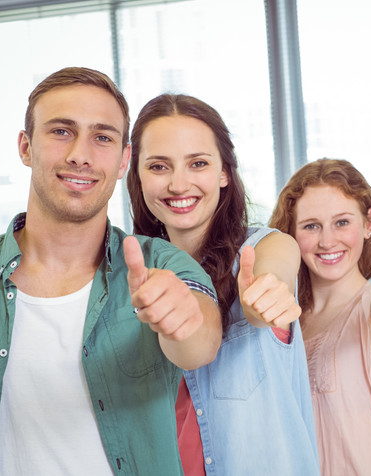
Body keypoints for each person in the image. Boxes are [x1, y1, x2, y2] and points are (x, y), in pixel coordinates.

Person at [0, 67, 222, 475]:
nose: (80, 155)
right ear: (25, 147)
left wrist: (183, 320)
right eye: (61, 131)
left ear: (124, 160)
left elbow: (200, 342)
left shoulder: (161, 262)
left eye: (102, 137)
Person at [127, 93, 319, 475]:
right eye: (159, 166)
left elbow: (273, 274)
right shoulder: (130, 277)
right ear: (138, 176)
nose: (178, 184)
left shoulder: (267, 246)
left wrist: (263, 299)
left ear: (224, 173)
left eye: (198, 163)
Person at [269, 159, 371, 475]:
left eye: (342, 222)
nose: (327, 241)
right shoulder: (288, 321)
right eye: (311, 226)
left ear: (369, 223)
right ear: (291, 233)